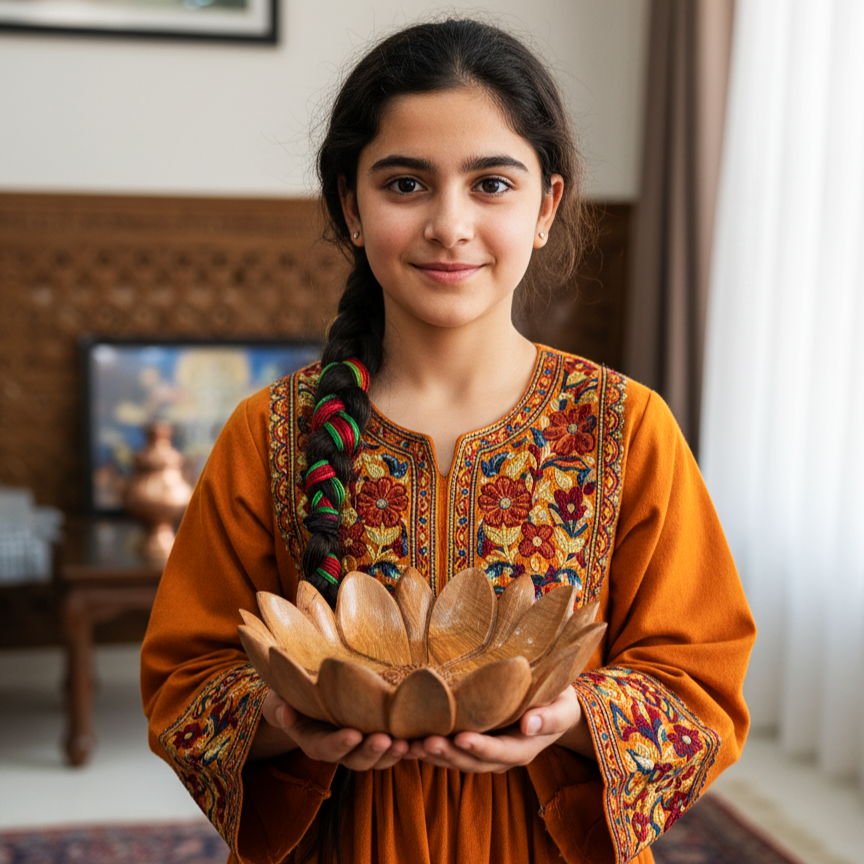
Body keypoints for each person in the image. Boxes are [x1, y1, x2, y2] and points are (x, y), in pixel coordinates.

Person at [140, 18, 755, 864]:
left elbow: (702, 687)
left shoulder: (625, 427)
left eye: (492, 184)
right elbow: (183, 681)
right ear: (351, 208)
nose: (449, 224)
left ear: (546, 207)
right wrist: (292, 719)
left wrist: (563, 715)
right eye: (405, 184)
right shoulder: (269, 435)